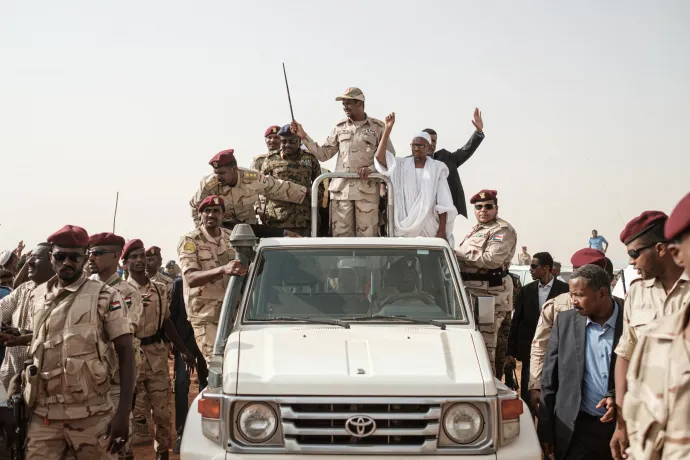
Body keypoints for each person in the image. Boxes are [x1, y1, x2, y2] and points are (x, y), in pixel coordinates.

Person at [14, 225, 135, 459]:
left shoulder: (104, 295)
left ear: (84, 258)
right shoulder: (38, 296)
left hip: (92, 416)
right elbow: (42, 343)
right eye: (60, 256)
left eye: (74, 257)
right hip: (45, 417)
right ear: (51, 258)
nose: (67, 262)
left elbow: (125, 351)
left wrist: (123, 413)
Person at [610, 211, 690, 459]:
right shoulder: (636, 294)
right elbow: (625, 353)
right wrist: (621, 424)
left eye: (634, 254)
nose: (631, 263)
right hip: (646, 426)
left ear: (660, 249)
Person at [538, 264, 623, 460]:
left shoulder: (632, 320)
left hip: (622, 427)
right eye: (571, 295)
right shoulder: (565, 322)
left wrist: (616, 396)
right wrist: (546, 430)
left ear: (602, 293)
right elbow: (549, 379)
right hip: (576, 428)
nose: (573, 301)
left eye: (579, 295)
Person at [124, 239, 195, 460]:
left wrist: (183, 350)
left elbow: (166, 322)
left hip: (156, 354)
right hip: (129, 357)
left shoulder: (160, 289)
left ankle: (162, 452)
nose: (139, 261)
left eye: (141, 256)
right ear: (124, 263)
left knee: (162, 413)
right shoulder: (116, 291)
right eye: (132, 257)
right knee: (129, 414)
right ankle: (126, 455)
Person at [291, 87, 396, 237]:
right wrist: (303, 136)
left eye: (348, 103)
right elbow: (323, 154)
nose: (345, 107)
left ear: (359, 103)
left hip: (366, 191)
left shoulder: (378, 127)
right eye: (343, 104)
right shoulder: (339, 127)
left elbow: (389, 157)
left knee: (367, 239)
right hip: (341, 192)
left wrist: (371, 169)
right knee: (341, 238)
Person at [527, 249, 619, 412]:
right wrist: (536, 384)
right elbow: (541, 347)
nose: (575, 301)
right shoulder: (557, 306)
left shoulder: (623, 311)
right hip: (569, 398)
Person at [87, 233, 144, 460]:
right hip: (90, 373)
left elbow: (126, 328)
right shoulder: (86, 289)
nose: (92, 258)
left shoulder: (128, 292)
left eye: (98, 253)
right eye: (90, 253)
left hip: (116, 373)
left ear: (114, 256)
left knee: (119, 437)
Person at [179, 196, 249, 364]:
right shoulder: (190, 241)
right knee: (218, 363)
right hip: (206, 316)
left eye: (216, 211)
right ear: (200, 215)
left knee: (238, 362)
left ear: (223, 215)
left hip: (233, 313)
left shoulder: (231, 238)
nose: (211, 215)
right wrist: (223, 269)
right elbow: (191, 278)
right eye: (207, 211)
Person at [456, 189, 517, 375]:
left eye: (488, 206)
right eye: (479, 207)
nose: (483, 210)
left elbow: (492, 259)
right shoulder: (476, 230)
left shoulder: (501, 230)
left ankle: (489, 388)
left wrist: (457, 255)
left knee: (485, 348)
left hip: (489, 296)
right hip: (471, 294)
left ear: (496, 208)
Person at [373, 113, 457, 242]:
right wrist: (387, 130)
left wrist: (441, 231)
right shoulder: (400, 165)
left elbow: (443, 204)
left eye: (420, 146)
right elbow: (380, 158)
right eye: (414, 145)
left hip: (429, 227)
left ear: (429, 148)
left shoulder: (437, 168)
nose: (416, 149)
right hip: (403, 227)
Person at [507, 252, 569, 405]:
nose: (530, 269)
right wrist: (510, 352)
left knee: (553, 390)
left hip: (557, 350)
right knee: (529, 390)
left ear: (546, 268)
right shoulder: (526, 290)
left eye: (534, 266)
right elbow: (516, 321)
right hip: (530, 350)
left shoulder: (565, 290)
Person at [190, 149, 310, 227]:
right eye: (216, 172)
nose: (218, 176)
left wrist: (305, 193)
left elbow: (277, 187)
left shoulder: (252, 178)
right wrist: (205, 232)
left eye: (222, 173)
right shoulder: (208, 185)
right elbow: (195, 207)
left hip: (248, 228)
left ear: (234, 169)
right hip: (222, 229)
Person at [0, 243, 54, 391]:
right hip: (12, 376)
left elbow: (54, 333)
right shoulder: (24, 288)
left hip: (43, 378)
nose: (29, 262)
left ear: (52, 260)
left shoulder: (60, 293)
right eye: (30, 257)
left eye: (36, 258)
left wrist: (20, 336)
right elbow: (2, 309)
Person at [421, 108, 484, 219]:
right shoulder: (409, 163)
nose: (431, 144)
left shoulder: (446, 158)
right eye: (428, 140)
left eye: (434, 141)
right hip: (421, 213)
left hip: (445, 215)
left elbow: (466, 151)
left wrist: (478, 132)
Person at [260, 124, 321, 236]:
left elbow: (319, 186)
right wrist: (260, 210)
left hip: (303, 219)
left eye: (292, 141)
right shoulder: (270, 160)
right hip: (277, 220)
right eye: (284, 142)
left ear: (299, 141)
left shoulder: (310, 159)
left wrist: (313, 195)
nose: (287, 145)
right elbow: (261, 187)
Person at [168, 276, 207, 454]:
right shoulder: (178, 284)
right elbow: (173, 315)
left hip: (206, 340)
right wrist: (178, 348)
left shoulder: (212, 279)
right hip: (185, 344)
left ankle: (203, 431)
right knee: (181, 385)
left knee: (206, 385)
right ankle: (181, 433)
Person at [251, 125, 282, 224]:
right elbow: (252, 186)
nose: (272, 140)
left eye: (277, 137)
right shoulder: (259, 161)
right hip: (265, 209)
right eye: (269, 137)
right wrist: (257, 208)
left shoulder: (289, 159)